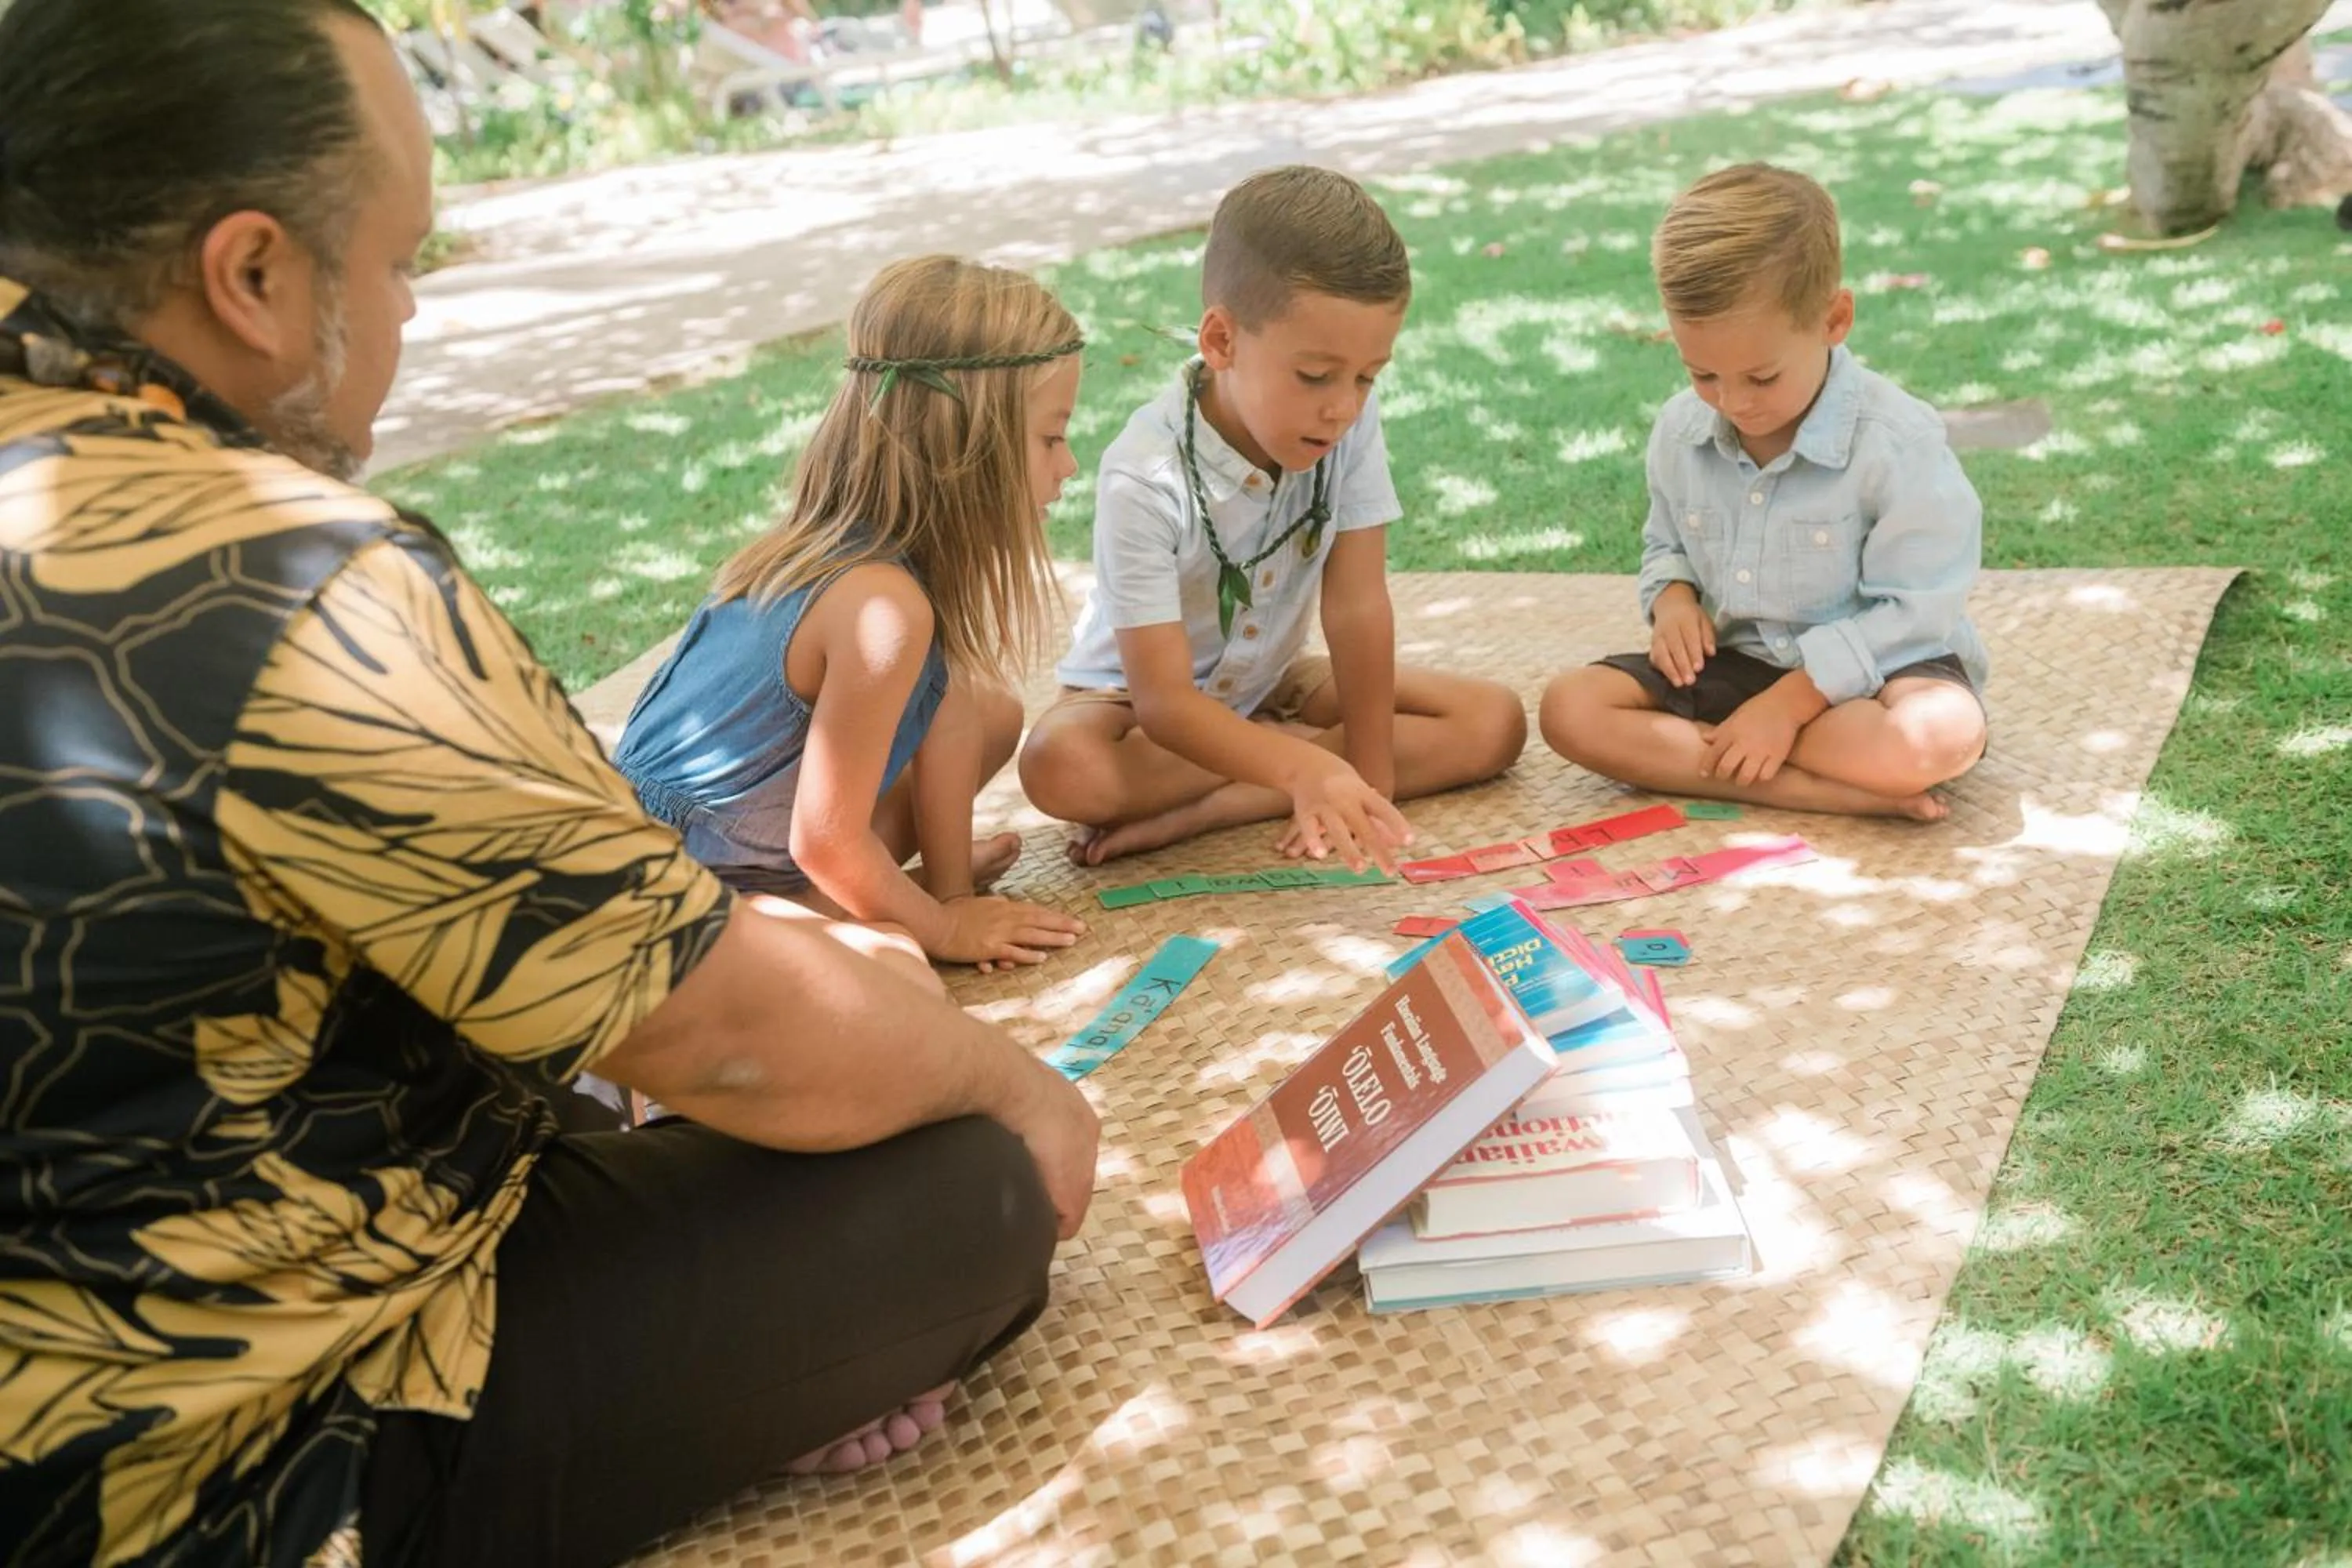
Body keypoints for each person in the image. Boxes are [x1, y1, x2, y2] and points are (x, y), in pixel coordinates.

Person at [0, 4, 1098, 1565]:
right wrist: (1017, 1085)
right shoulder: (280, 578)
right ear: (251, 275)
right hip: (235, 1458)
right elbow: (716, 1024)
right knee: (971, 1183)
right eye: (398, 263)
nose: (405, 317)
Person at [1018, 165, 1527, 869]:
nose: (1343, 407)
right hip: (1134, 713)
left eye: (1367, 376)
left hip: (1268, 685)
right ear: (1222, 342)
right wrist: (1307, 766)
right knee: (1059, 766)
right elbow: (1163, 704)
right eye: (1316, 376)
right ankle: (1296, 771)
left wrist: (1371, 774)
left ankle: (1217, 807)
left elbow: (1356, 605)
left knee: (1492, 721)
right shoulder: (1143, 472)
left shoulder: (1349, 419)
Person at [614, 257, 1087, 975]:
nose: (1070, 463)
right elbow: (826, 841)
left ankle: (883, 906)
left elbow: (952, 714)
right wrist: (943, 932)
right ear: (966, 450)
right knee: (894, 967)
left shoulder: (867, 557)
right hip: (663, 910)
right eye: (1051, 438)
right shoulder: (879, 610)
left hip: (747, 863)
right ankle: (872, 916)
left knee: (988, 712)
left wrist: (955, 898)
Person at [1538, 163, 1990, 818]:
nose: (1733, 402)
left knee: (1941, 735)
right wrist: (1671, 600)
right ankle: (1826, 793)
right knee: (1570, 708)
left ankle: (1727, 758)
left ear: (1835, 319)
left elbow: (1918, 612)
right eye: (1703, 374)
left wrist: (1787, 707)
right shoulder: (1681, 430)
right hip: (1738, 665)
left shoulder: (1898, 441)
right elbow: (1666, 542)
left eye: (1762, 376)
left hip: (1877, 675)